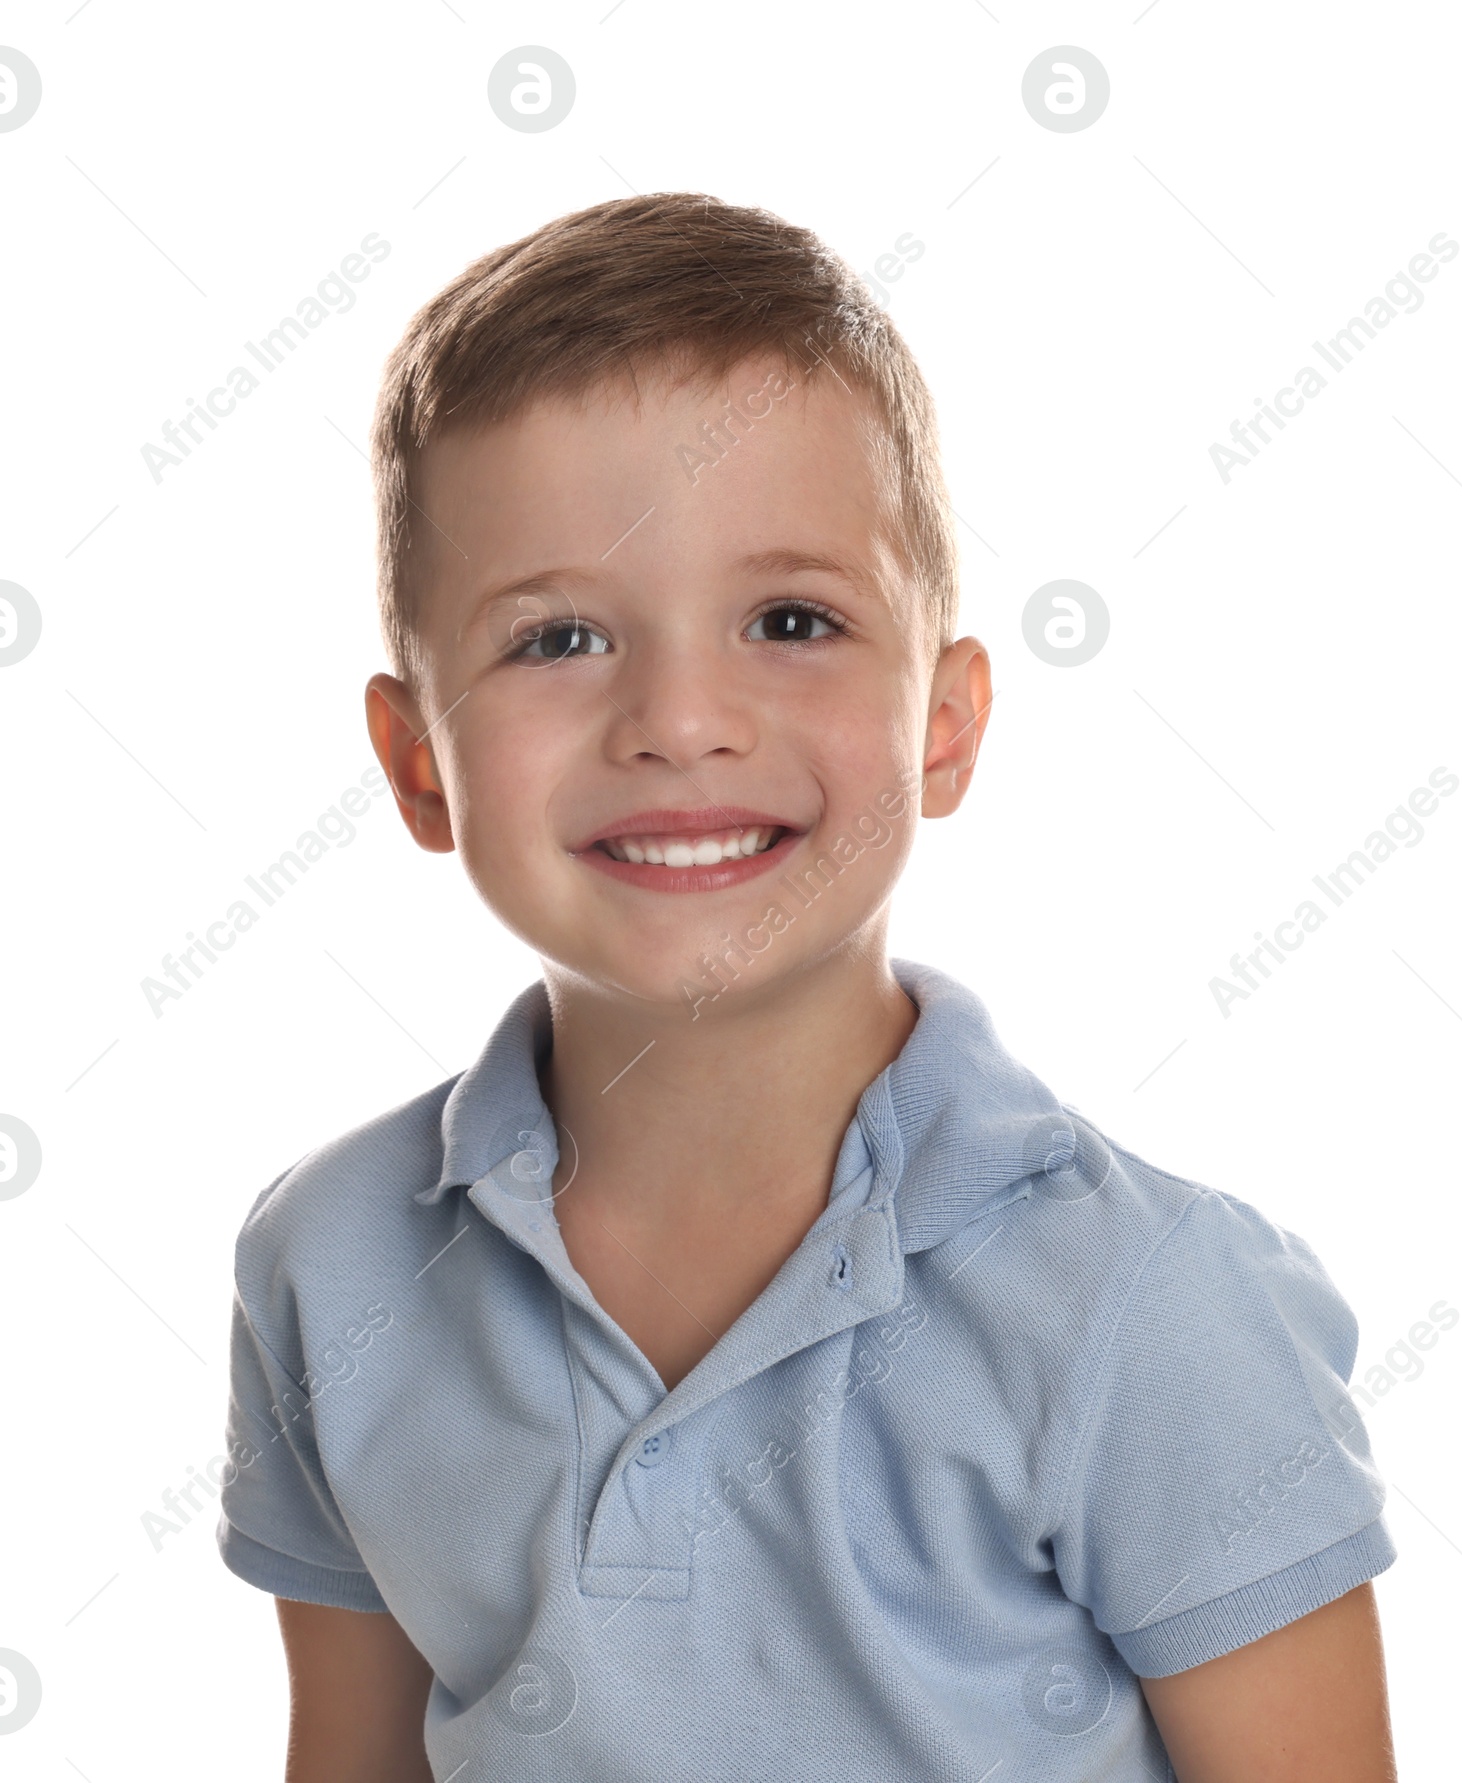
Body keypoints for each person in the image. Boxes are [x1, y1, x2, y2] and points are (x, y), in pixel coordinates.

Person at [215, 192, 1399, 1781]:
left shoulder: (1150, 1308)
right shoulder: (331, 1264)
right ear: (419, 764)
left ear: (947, 724)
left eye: (792, 620)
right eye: (560, 636)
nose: (681, 718)